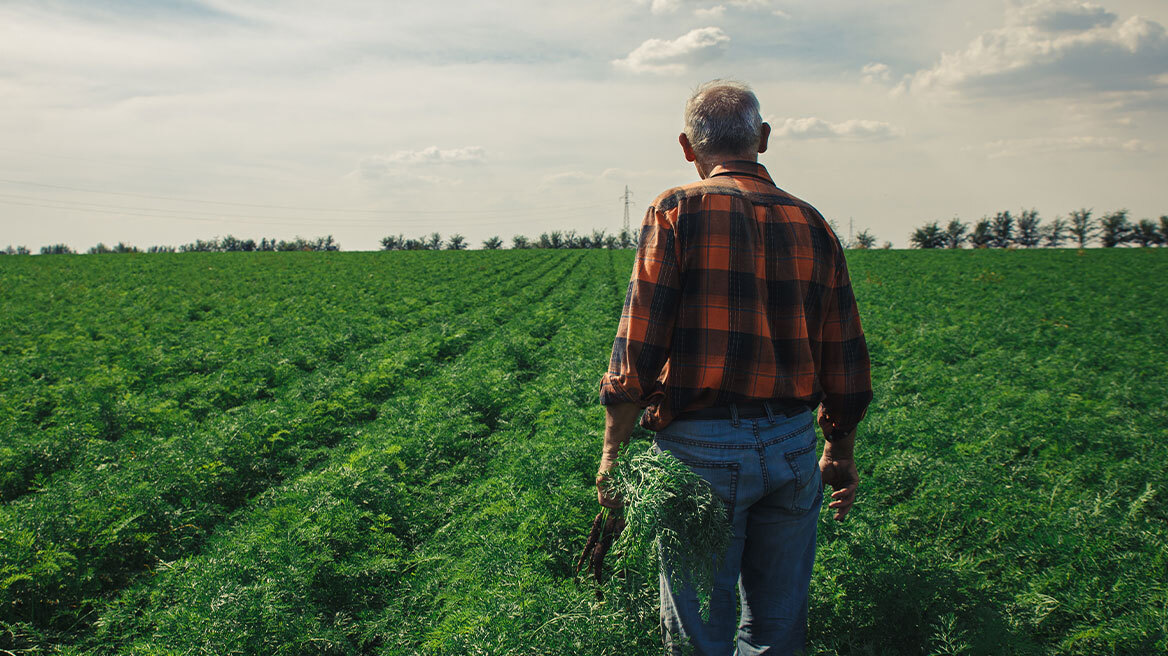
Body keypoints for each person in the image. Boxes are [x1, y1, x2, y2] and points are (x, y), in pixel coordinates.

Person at [596, 79, 872, 655]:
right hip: (794, 447)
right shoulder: (813, 222)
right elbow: (845, 356)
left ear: (687, 146)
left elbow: (638, 349)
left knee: (700, 634)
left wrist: (612, 456)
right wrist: (837, 450)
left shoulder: (675, 210)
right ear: (763, 140)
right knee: (778, 629)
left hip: (700, 452)